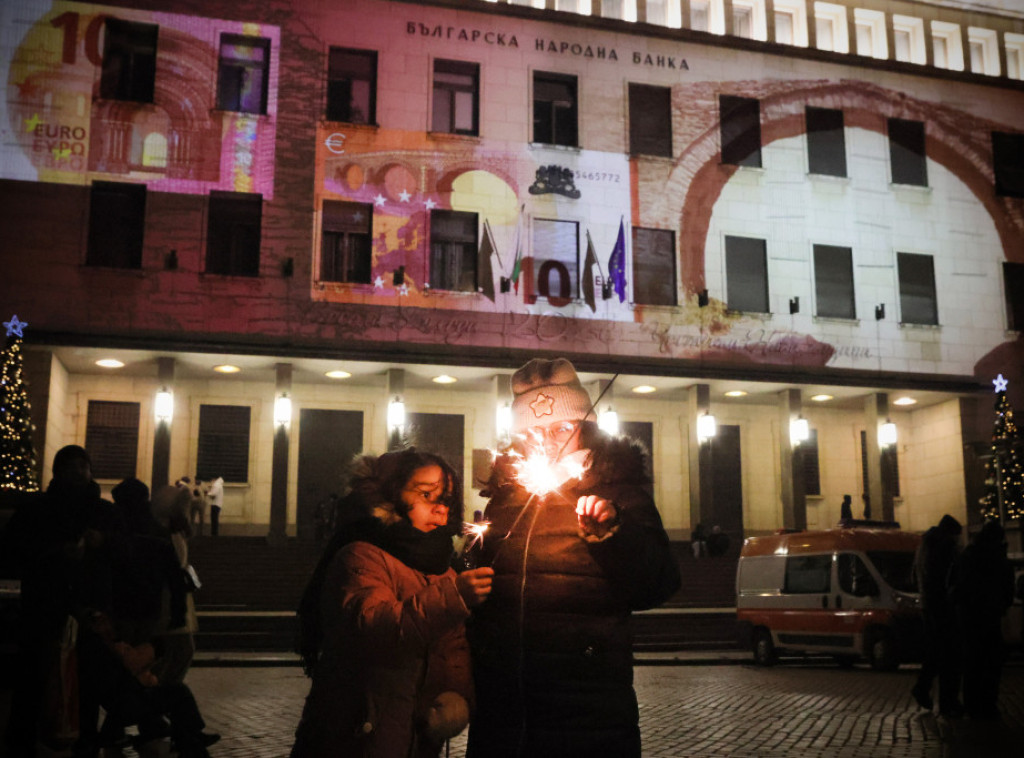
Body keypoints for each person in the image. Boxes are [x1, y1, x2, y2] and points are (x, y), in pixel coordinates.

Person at [466, 358, 681, 758]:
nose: (548, 442)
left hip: (587, 712)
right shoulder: (505, 499)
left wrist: (613, 536)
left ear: (586, 427)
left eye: (561, 428)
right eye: (533, 432)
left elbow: (658, 584)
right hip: (503, 712)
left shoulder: (620, 493)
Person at [291, 449, 493, 758]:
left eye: (446, 500)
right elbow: (373, 627)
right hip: (357, 734)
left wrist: (456, 695)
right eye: (426, 495)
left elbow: (454, 647)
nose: (440, 509)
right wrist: (452, 598)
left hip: (416, 738)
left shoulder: (444, 568)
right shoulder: (361, 556)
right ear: (388, 496)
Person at [0, 445, 123, 758]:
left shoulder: (104, 512)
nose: (78, 472)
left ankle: (85, 741)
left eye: (83, 465)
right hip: (45, 607)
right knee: (34, 677)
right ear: (58, 472)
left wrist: (103, 542)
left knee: (87, 681)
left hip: (90, 609)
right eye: (71, 466)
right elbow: (14, 551)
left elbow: (125, 551)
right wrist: (57, 553)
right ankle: (24, 741)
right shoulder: (37, 510)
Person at [949, 520, 1015, 721]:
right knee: (990, 663)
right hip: (989, 615)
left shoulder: (969, 555)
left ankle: (973, 704)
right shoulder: (997, 557)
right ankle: (987, 704)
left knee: (973, 662)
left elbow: (955, 584)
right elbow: (1007, 586)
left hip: (970, 616)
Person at [910, 514, 963, 716]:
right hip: (941, 605)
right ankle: (944, 699)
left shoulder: (925, 545)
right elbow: (946, 578)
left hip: (929, 603)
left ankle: (924, 687)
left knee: (937, 651)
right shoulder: (942, 547)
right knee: (948, 654)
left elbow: (915, 576)